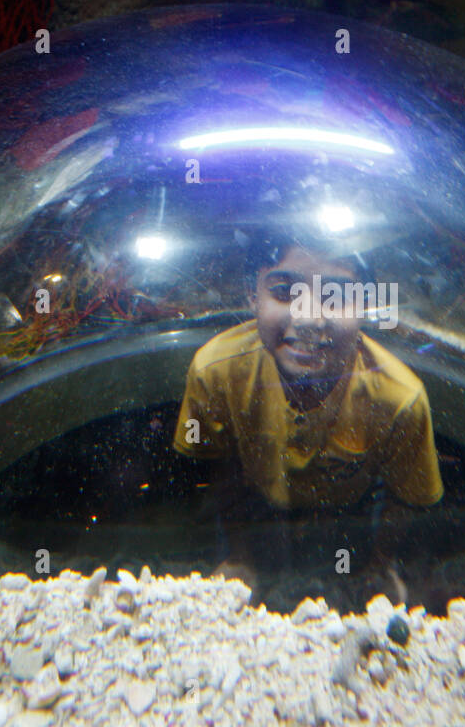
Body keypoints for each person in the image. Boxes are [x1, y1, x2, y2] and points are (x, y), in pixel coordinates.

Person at [172, 232, 443, 601]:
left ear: (364, 306)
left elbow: (405, 497)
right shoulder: (216, 371)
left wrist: (380, 563)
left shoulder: (399, 398)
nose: (310, 318)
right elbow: (221, 469)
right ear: (253, 296)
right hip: (256, 506)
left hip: (351, 513)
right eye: (285, 292)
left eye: (336, 297)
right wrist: (240, 557)